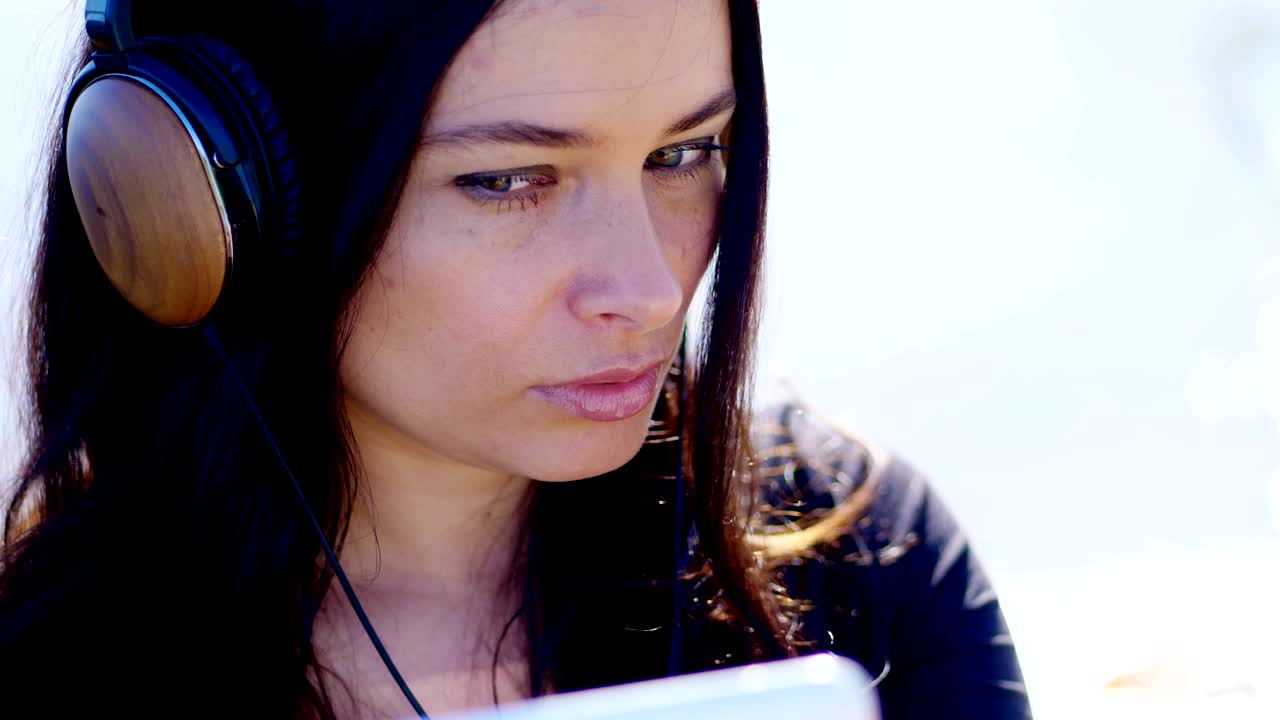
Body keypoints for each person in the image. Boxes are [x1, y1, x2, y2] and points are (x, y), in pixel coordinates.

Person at [0, 1, 1032, 718]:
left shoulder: (855, 556)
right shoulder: (41, 673)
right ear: (214, 205)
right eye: (506, 180)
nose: (648, 287)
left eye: (682, 154)